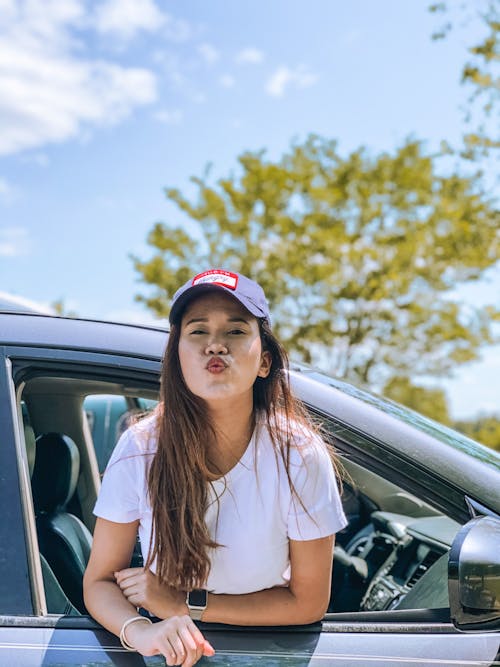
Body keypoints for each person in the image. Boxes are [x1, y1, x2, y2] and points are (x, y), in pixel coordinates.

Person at [83, 269, 347, 666]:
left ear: (264, 362)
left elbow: (308, 602)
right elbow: (100, 582)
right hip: (169, 653)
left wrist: (187, 604)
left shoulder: (299, 453)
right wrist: (144, 631)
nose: (215, 346)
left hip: (272, 651)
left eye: (236, 332)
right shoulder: (141, 447)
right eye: (198, 331)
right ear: (177, 357)